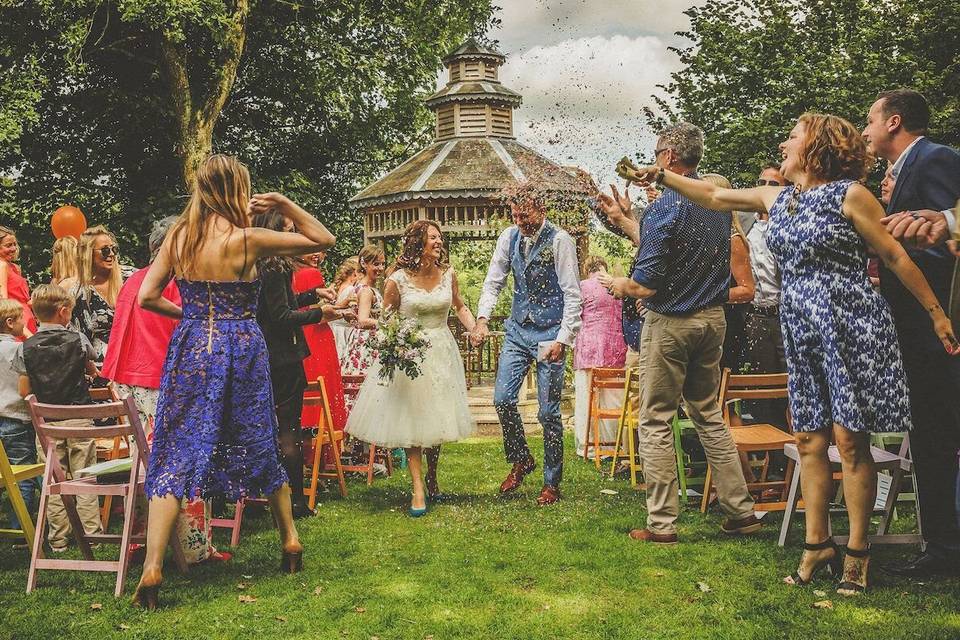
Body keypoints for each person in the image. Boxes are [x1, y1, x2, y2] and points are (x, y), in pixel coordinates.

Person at [618, 113, 958, 594]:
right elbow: (713, 196)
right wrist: (660, 175)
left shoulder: (850, 194)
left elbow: (895, 256)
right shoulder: (777, 198)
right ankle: (817, 544)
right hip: (801, 330)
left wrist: (935, 313)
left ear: (815, 147)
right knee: (809, 442)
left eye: (792, 137)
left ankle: (857, 554)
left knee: (851, 441)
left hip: (850, 324)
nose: (783, 142)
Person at [133, 154, 335, 609]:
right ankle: (290, 541)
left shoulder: (178, 239)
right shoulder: (248, 239)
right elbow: (322, 237)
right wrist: (283, 201)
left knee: (176, 447)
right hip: (242, 343)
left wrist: (190, 315)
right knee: (259, 436)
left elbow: (147, 296)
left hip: (192, 347)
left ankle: (153, 566)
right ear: (235, 191)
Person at [599, 123, 760, 546]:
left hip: (671, 325)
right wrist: (628, 222)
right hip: (712, 321)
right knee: (709, 414)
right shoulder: (715, 202)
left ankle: (662, 524)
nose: (654, 159)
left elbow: (646, 284)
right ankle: (741, 513)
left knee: (655, 420)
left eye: (657, 152)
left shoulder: (666, 204)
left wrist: (620, 284)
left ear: (669, 157)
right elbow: (673, 248)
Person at [862, 89, 960, 577]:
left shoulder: (936, 158)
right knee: (927, 430)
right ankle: (939, 542)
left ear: (894, 121)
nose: (865, 130)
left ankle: (943, 549)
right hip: (915, 324)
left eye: (870, 120)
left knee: (937, 430)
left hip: (936, 323)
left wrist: (909, 248)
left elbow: (945, 242)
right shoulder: (897, 176)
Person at [102, 216, 228, 565]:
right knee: (184, 463)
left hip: (128, 382)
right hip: (165, 382)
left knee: (144, 464)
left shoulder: (134, 282)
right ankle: (193, 548)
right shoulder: (177, 282)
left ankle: (144, 539)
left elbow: (120, 335)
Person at [346, 220, 476, 514]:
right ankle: (418, 487)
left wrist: (474, 328)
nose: (439, 241)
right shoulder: (398, 279)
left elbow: (460, 306)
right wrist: (391, 343)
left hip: (441, 350)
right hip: (410, 354)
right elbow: (387, 319)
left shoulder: (448, 274)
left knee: (438, 415)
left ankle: (432, 475)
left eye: (440, 237)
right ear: (418, 242)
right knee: (414, 418)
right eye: (433, 237)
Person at [471, 181, 582, 506]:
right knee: (503, 398)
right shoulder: (509, 237)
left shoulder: (560, 241)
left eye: (526, 216)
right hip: (518, 331)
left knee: (548, 413)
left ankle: (551, 483)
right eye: (516, 216)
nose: (521, 222)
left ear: (541, 210)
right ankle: (522, 458)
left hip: (550, 333)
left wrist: (564, 339)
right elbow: (494, 281)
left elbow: (573, 294)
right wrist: (481, 319)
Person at [253, 210, 345, 519]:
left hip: (260, 356)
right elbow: (280, 318)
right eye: (289, 230)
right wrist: (321, 313)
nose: (294, 238)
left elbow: (276, 305)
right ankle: (296, 503)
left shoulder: (254, 263)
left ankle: (263, 497)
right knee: (288, 432)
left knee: (264, 429)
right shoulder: (274, 266)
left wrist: (310, 295)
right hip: (283, 358)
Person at [15, 284, 103, 552]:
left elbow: (24, 391)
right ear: (64, 312)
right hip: (79, 419)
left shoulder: (26, 347)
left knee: (54, 480)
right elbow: (92, 369)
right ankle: (93, 535)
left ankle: (58, 539)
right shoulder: (78, 340)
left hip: (48, 423)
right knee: (85, 476)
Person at [573, 255, 626, 459]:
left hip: (588, 350)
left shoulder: (582, 287)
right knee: (613, 400)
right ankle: (612, 445)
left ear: (588, 270)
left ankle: (588, 445)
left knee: (587, 399)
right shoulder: (618, 285)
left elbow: (575, 317)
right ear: (604, 267)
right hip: (616, 348)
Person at [292, 251, 349, 438]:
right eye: (311, 250)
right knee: (325, 388)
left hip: (301, 335)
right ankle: (327, 446)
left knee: (308, 390)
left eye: (320, 250)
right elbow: (321, 315)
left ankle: (307, 448)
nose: (317, 255)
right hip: (318, 337)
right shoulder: (311, 273)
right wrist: (344, 311)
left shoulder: (289, 272)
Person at [62, 226, 125, 367]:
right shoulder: (77, 292)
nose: (111, 254)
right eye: (105, 250)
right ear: (88, 254)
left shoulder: (130, 279)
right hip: (98, 368)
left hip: (134, 363)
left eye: (113, 249)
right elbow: (73, 337)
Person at [0, 300, 36, 531]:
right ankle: (21, 530)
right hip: (16, 417)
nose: (25, 323)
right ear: (10, 322)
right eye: (22, 318)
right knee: (22, 475)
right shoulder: (18, 349)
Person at [340, 245, 385, 384]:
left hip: (365, 341)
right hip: (367, 344)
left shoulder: (363, 287)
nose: (380, 268)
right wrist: (387, 324)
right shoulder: (366, 290)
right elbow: (363, 320)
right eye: (376, 264)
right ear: (364, 263)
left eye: (383, 264)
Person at [0, 226, 36, 337]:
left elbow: (24, 300)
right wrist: (26, 334)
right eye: (8, 245)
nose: (14, 248)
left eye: (14, 244)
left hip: (28, 320)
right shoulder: (2, 266)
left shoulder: (15, 268)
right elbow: (4, 304)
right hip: (17, 327)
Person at [329, 257, 360, 360]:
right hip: (344, 331)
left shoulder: (337, 286)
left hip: (334, 328)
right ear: (355, 273)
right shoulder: (351, 289)